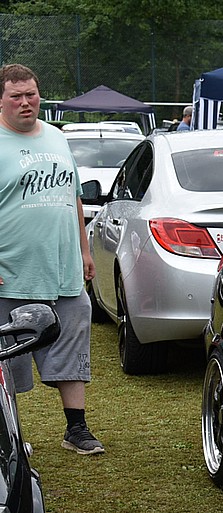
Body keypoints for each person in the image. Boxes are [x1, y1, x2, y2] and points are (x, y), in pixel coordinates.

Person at [0, 63, 103, 454]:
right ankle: (6, 439)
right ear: (1, 100)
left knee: (72, 344)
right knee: (6, 361)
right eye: (16, 96)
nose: (26, 102)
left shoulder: (57, 137)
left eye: (31, 94)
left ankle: (76, 429)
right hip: (11, 273)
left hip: (63, 271)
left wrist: (84, 250)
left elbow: (73, 197)